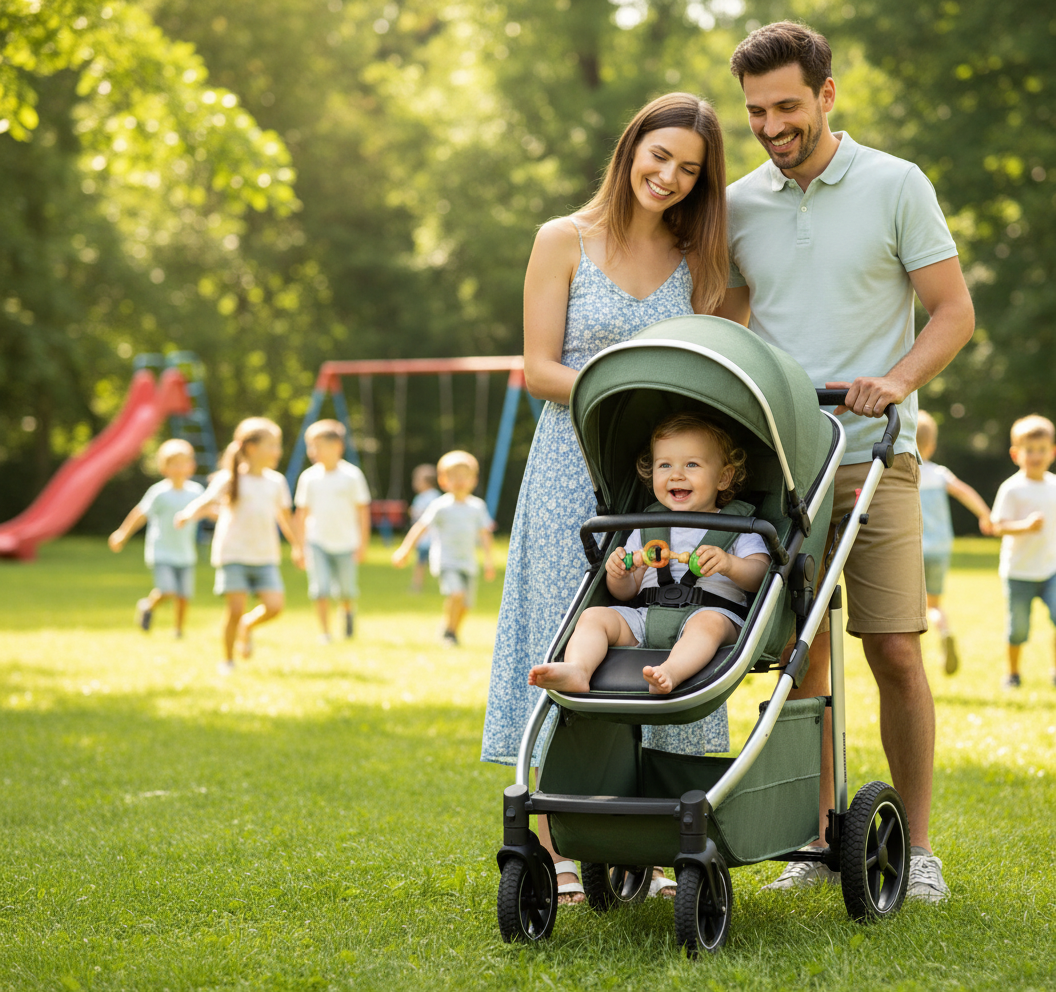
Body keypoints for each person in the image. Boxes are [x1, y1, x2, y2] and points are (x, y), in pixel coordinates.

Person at [717, 22, 975, 902]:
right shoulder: (740, 202)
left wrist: (894, 380)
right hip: (785, 468)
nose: (771, 125)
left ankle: (922, 848)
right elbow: (730, 324)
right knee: (801, 657)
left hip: (877, 457)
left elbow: (951, 312)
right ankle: (811, 837)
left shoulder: (896, 184)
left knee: (895, 649)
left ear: (828, 95)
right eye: (756, 110)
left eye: (787, 105)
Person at [484, 92, 731, 904]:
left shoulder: (698, 262)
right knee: (571, 636)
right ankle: (552, 844)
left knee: (666, 625)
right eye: (659, 157)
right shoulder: (563, 240)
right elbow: (539, 368)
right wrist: (622, 386)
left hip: (668, 481)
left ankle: (660, 843)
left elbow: (713, 366)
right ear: (630, 150)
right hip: (571, 466)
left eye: (689, 170)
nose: (669, 176)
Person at [529, 413, 769, 695]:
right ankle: (578, 669)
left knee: (708, 624)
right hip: (645, 615)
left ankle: (671, 672)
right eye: (664, 465)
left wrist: (729, 564)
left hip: (713, 613)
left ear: (724, 477)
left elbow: (761, 575)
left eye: (692, 464)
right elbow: (625, 592)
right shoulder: (647, 527)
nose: (676, 474)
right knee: (594, 616)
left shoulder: (740, 526)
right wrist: (619, 574)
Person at [175, 417, 300, 674]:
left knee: (275, 606)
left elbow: (285, 518)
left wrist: (298, 546)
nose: (277, 451)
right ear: (252, 448)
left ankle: (247, 626)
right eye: (272, 445)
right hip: (232, 553)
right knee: (234, 609)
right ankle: (228, 660)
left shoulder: (276, 482)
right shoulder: (229, 478)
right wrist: (187, 514)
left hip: (265, 555)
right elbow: (206, 500)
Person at [391, 450, 495, 646]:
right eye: (453, 476)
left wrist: (489, 560)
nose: (459, 481)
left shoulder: (477, 507)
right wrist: (404, 550)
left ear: (474, 480)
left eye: (464, 476)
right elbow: (420, 527)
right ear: (443, 480)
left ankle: (451, 628)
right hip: (446, 560)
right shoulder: (440, 506)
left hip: (468, 562)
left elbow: (484, 534)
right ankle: (450, 633)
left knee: (465, 605)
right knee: (456, 594)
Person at [916, 410, 993, 675]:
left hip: (911, 550)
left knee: (908, 610)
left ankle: (916, 663)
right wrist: (986, 515)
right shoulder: (939, 473)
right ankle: (944, 629)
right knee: (934, 605)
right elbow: (964, 491)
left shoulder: (902, 473)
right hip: (939, 548)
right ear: (932, 445)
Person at [108, 438, 204, 637]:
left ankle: (178, 630)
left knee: (184, 596)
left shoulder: (196, 492)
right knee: (168, 591)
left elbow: (210, 510)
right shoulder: (159, 493)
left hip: (185, 553)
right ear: (164, 467)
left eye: (183, 463)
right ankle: (148, 605)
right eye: (174, 464)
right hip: (161, 551)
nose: (179, 468)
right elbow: (140, 514)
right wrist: (122, 534)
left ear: (191, 466)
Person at [989, 414, 1056, 690]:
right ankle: (1013, 673)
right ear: (1016, 454)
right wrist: (1024, 526)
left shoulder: (1054, 485)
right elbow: (997, 526)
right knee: (1018, 629)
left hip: (1051, 569)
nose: (1036, 456)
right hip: (1019, 572)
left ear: (1052, 452)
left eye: (1041, 450)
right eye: (1029, 450)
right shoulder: (1012, 488)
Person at [293, 420, 372, 643]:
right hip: (316, 541)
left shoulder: (352, 475)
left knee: (346, 591)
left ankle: (347, 612)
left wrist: (363, 544)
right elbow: (301, 514)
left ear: (337, 446)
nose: (313, 452)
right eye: (310, 446)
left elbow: (362, 512)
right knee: (320, 589)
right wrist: (299, 547)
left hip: (347, 542)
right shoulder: (309, 477)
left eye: (317, 446)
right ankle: (325, 632)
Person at [407, 463, 441, 593]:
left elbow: (423, 516)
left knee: (421, 564)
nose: (414, 483)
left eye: (417, 480)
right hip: (427, 538)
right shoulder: (435, 495)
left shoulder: (429, 497)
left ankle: (417, 586)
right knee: (426, 563)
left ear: (427, 482)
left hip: (427, 538)